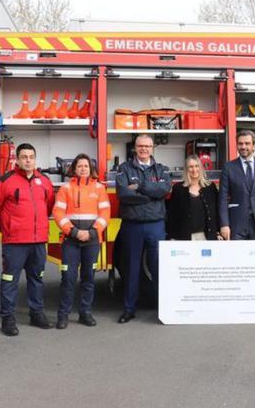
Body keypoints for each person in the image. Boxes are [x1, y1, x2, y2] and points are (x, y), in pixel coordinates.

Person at [0, 143, 56, 335]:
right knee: (10, 279)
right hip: (15, 242)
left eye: (31, 157)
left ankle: (36, 314)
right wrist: (9, 229)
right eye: (24, 157)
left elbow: (48, 206)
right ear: (17, 160)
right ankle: (8, 319)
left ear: (35, 159)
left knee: (37, 278)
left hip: (38, 241)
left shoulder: (44, 181)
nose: (28, 160)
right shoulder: (4, 181)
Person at [115, 134, 172, 324]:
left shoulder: (161, 169)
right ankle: (129, 309)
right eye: (140, 146)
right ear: (135, 148)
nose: (144, 149)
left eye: (147, 146)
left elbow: (164, 190)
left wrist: (139, 186)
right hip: (133, 226)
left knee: (158, 268)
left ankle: (163, 308)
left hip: (156, 225)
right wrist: (151, 194)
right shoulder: (124, 168)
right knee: (131, 268)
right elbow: (123, 194)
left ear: (152, 148)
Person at [52, 154, 110, 329]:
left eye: (86, 166)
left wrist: (92, 232)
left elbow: (105, 214)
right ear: (74, 169)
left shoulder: (99, 188)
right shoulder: (65, 188)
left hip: (92, 241)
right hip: (71, 240)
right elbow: (58, 213)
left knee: (88, 278)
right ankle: (63, 315)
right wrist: (74, 232)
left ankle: (85, 313)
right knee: (68, 278)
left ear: (91, 169)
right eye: (80, 166)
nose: (83, 169)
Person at [219, 129, 255, 240]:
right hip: (236, 224)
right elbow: (223, 198)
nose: (243, 147)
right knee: (238, 257)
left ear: (254, 146)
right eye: (240, 143)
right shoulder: (228, 167)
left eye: (247, 143)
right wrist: (224, 224)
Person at [166, 155, 220, 241]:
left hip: (207, 236)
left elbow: (217, 211)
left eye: (196, 166)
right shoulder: (178, 189)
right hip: (184, 237)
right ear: (186, 169)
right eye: (191, 167)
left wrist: (218, 231)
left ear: (201, 168)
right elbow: (173, 215)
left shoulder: (210, 187)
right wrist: (172, 236)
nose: (194, 170)